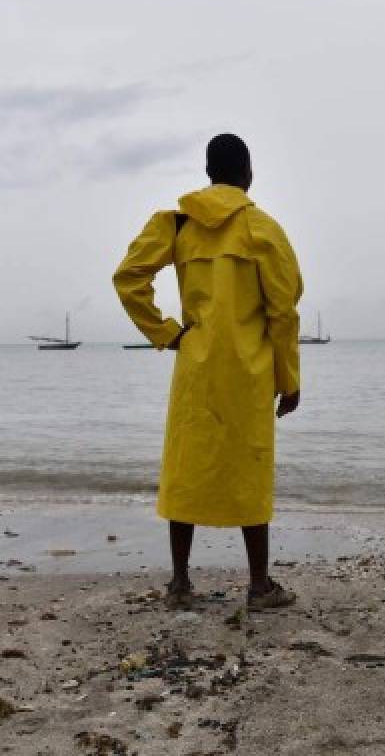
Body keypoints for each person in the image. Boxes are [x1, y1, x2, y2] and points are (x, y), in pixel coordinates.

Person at [113, 133, 303, 610]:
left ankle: (180, 583)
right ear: (249, 173)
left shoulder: (178, 225)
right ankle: (259, 586)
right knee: (250, 468)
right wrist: (289, 378)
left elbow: (129, 277)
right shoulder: (264, 229)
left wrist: (166, 333)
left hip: (195, 365)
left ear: (207, 172)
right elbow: (283, 310)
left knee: (186, 468)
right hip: (250, 371)